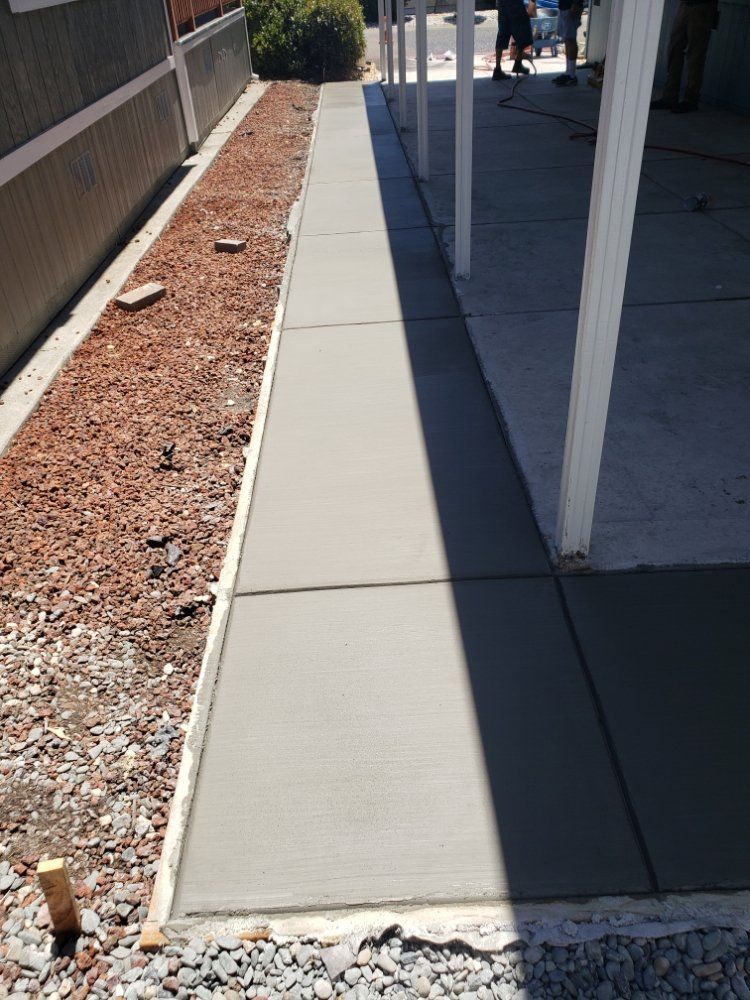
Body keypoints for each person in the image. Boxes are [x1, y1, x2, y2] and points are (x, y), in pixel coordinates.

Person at [650, 0, 719, 113]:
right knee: (674, 48)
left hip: (702, 7)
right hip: (684, 5)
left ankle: (691, 99)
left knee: (695, 55)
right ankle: (669, 96)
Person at [493, 0, 534, 80]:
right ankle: (518, 64)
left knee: (502, 33)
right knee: (524, 33)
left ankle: (497, 69)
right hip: (515, 5)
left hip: (502, 5)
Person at [552, 0, 582, 87]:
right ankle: (568, 73)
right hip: (564, 7)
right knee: (567, 40)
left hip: (571, 7)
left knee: (571, 40)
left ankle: (572, 75)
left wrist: (576, 4)